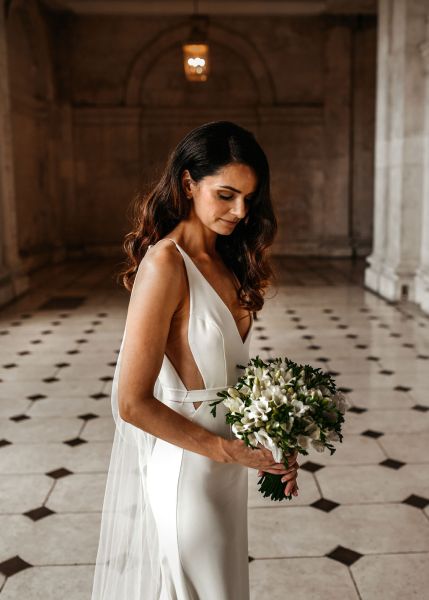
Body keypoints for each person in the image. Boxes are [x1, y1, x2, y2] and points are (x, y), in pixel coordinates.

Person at [91, 121, 300, 600]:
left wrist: (276, 441)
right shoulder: (166, 262)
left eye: (249, 198)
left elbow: (232, 381)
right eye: (226, 195)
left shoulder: (229, 259)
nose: (240, 211)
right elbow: (131, 401)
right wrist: (225, 451)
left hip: (226, 468)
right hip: (189, 473)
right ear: (188, 184)